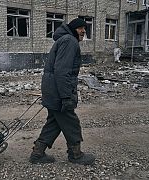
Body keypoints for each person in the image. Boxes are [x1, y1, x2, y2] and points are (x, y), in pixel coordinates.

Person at [29, 18, 95, 165]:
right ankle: (76, 155)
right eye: (80, 28)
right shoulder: (70, 42)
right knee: (71, 123)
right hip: (59, 92)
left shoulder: (65, 40)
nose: (83, 31)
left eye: (85, 28)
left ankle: (38, 153)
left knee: (55, 122)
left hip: (53, 89)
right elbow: (62, 71)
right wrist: (66, 97)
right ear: (73, 29)